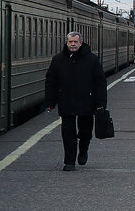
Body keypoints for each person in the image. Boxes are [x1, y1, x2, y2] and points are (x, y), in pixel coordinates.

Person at [44, 31, 107, 171]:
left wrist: (101, 103)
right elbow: (51, 81)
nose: (73, 44)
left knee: (85, 132)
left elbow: (100, 83)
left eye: (75, 42)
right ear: (66, 42)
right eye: (70, 42)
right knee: (67, 133)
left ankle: (83, 150)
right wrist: (50, 102)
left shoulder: (92, 59)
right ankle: (69, 161)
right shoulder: (58, 60)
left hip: (87, 101)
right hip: (66, 101)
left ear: (81, 42)